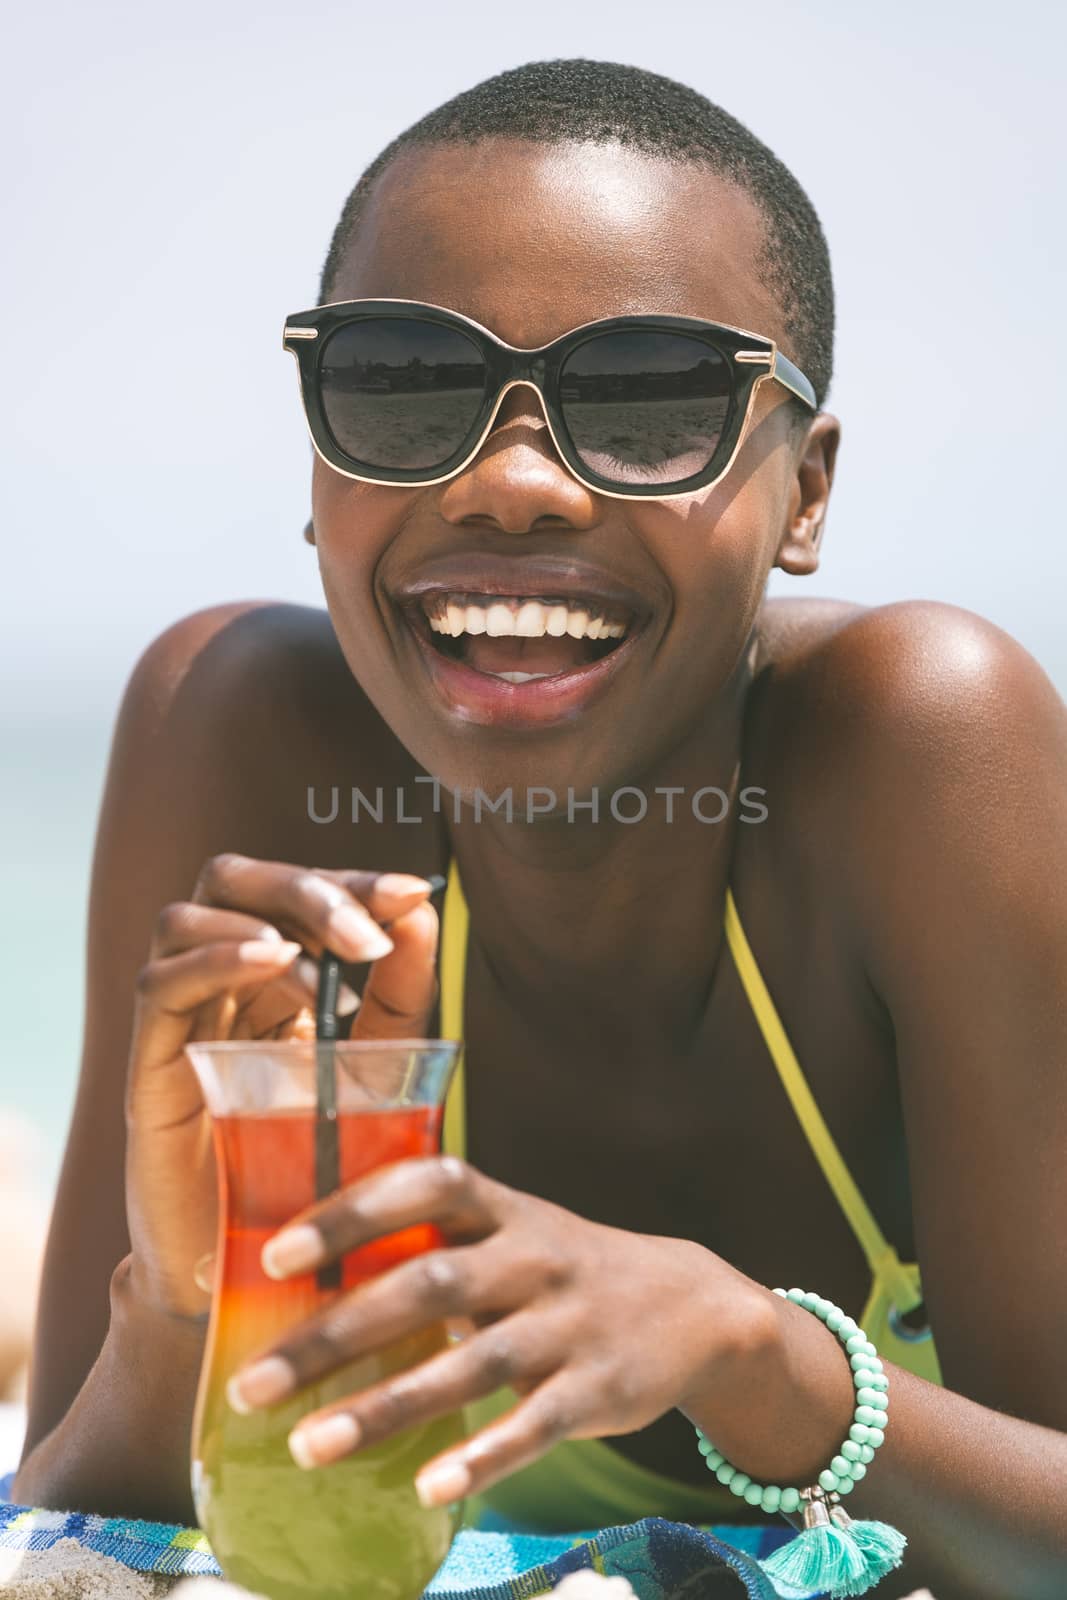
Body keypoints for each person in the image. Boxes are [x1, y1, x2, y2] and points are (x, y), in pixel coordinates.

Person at [13, 58, 1067, 1600]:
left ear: (807, 493)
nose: (511, 485)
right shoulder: (244, 747)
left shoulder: (918, 746)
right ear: (317, 469)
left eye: (648, 403)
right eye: (401, 386)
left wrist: (758, 1360)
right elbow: (74, 1527)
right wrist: (177, 1303)